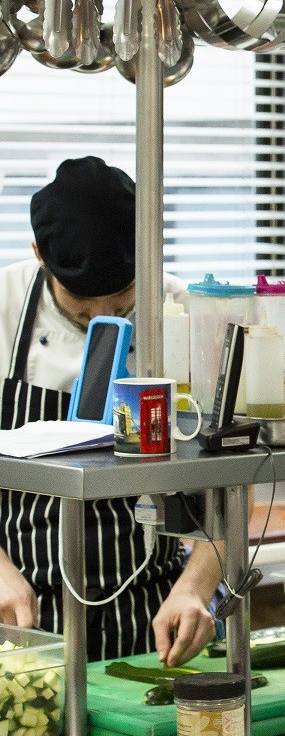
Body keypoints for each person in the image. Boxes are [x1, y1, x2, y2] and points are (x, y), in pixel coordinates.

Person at [0, 157, 216, 662]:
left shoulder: (187, 313)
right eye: (81, 301)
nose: (102, 315)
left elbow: (232, 483)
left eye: (121, 297)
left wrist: (197, 587)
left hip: (153, 611)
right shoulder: (2, 307)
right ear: (39, 255)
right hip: (18, 611)